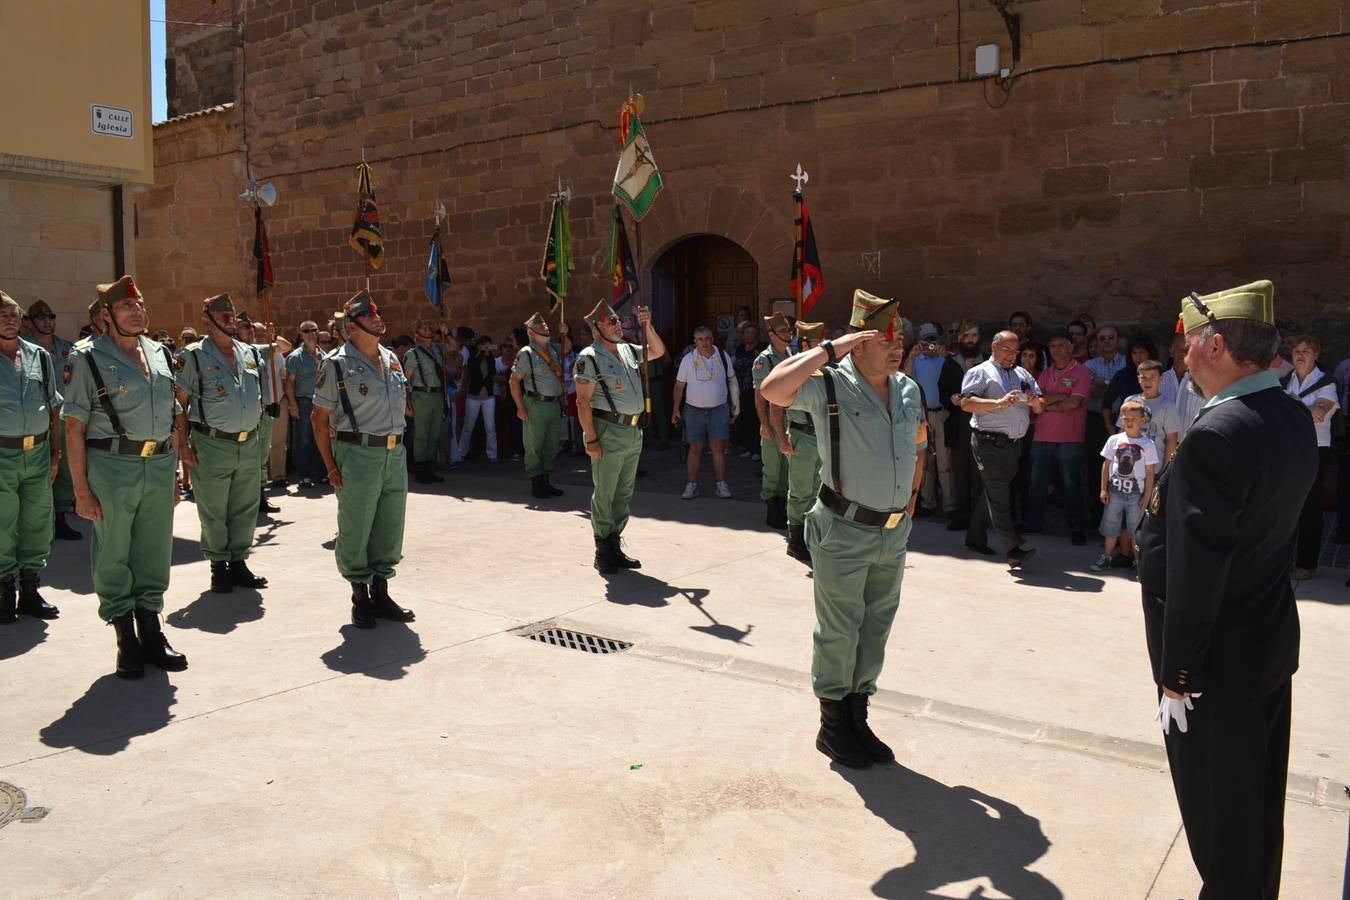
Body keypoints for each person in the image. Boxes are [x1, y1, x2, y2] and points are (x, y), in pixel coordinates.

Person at [1136, 280, 1314, 897]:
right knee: (1257, 811)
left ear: (1214, 346)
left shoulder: (1218, 433)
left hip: (1215, 665)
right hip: (1264, 646)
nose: (1182, 356)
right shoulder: (1287, 413)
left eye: (1188, 344)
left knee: (1222, 820)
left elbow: (1198, 568)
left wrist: (1177, 672)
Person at [759, 289, 927, 769]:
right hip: (843, 529)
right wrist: (831, 348)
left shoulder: (908, 389)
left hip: (892, 532)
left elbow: (917, 442)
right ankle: (832, 726)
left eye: (900, 339)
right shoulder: (829, 384)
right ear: (858, 343)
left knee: (875, 628)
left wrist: (910, 501)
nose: (899, 348)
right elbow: (774, 390)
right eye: (887, 340)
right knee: (839, 631)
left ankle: (858, 715)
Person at [63, 276, 188, 678]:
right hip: (112, 466)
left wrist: (173, 475)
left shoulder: (160, 354)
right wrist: (81, 490)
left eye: (139, 305)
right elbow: (74, 428)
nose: (136, 312)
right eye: (125, 307)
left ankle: (151, 631)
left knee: (153, 550)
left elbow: (171, 418)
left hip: (159, 464)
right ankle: (124, 638)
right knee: (114, 551)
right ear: (106, 316)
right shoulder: (87, 358)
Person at [311, 291, 415, 628]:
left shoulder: (392, 360)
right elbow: (319, 419)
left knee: (389, 524)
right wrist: (330, 466)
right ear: (351, 327)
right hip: (357, 452)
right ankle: (360, 596)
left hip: (393, 452)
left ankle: (381, 592)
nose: (377, 318)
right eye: (368, 316)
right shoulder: (336, 363)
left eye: (376, 313)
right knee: (357, 526)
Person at [174, 294, 269, 594]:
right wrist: (183, 447)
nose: (229, 318)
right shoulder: (193, 356)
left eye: (230, 313)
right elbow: (179, 404)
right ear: (207, 318)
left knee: (245, 506)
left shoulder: (249, 353)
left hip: (248, 442)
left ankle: (239, 562)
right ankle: (218, 567)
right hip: (211, 443)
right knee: (214, 509)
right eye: (221, 313)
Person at [574, 301, 666, 574]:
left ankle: (615, 544)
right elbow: (582, 402)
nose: (618, 324)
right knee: (605, 492)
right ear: (597, 328)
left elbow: (658, 351)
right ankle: (602, 549)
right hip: (608, 430)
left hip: (632, 431)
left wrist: (647, 325)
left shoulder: (627, 350)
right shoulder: (589, 357)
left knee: (623, 492)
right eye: (611, 321)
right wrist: (591, 439)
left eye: (618, 319)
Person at [0, 291, 62, 624]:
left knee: (37, 523)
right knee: (2, 524)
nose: (9, 320)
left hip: (37, 454)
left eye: (13, 314)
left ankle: (30, 589)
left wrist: (55, 454)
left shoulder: (39, 356)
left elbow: (53, 409)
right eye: (3, 315)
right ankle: (4, 592)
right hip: (2, 454)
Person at [960, 330, 1044, 568]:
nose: (1013, 356)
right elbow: (966, 403)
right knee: (999, 495)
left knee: (993, 492)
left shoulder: (1022, 373)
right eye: (1008, 350)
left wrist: (1036, 402)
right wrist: (998, 403)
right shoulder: (979, 372)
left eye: (1016, 351)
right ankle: (1013, 549)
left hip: (1014, 445)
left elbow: (1040, 405)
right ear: (995, 347)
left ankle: (975, 538)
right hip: (989, 443)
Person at [23, 298, 81, 541]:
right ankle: (38, 522)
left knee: (64, 469)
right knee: (39, 471)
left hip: (65, 418)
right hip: (37, 419)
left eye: (51, 317)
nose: (47, 322)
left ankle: (60, 517)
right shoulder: (26, 349)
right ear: (30, 322)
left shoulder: (67, 347)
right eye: (41, 317)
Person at [1282, 335, 1339, 580]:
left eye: (1306, 350)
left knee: (1309, 507)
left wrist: (1291, 409)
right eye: (1296, 350)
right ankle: (1283, 561)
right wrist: (1304, 409)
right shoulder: (1286, 381)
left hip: (1316, 449)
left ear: (1316, 355)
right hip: (1288, 449)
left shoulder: (1326, 383)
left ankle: (1307, 563)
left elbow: (1319, 414)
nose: (1300, 355)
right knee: (1284, 505)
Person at [1025, 334, 1091, 543]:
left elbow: (1074, 403)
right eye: (1052, 346)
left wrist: (1048, 403)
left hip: (1070, 438)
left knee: (1072, 486)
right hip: (1042, 436)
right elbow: (1035, 402)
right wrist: (1061, 396)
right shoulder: (1045, 373)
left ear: (1071, 347)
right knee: (1037, 483)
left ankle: (1077, 528)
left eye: (1061, 345)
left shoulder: (1082, 372)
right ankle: (1033, 523)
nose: (1056, 349)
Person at [771, 321, 826, 561]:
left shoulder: (824, 368)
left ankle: (811, 535)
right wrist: (782, 439)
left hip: (820, 436)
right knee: (801, 491)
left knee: (818, 489)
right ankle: (795, 539)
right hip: (801, 435)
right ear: (805, 343)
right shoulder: (792, 368)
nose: (822, 346)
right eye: (816, 342)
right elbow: (776, 404)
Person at [672, 325, 738, 501]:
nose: (704, 342)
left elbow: (732, 380)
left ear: (713, 338)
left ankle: (721, 484)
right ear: (695, 341)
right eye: (700, 339)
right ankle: (692, 485)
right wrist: (675, 409)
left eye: (707, 338)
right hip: (694, 411)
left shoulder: (723, 356)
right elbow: (679, 386)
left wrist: (736, 405)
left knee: (719, 448)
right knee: (694, 448)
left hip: (719, 409)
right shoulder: (687, 360)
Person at [1091, 399, 1157, 572]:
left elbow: (1150, 472)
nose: (1129, 422)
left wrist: (1147, 495)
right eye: (1125, 418)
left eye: (1133, 419)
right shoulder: (1114, 440)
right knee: (1111, 526)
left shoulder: (1148, 445)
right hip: (1114, 492)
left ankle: (1138, 562)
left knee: (1136, 529)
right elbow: (1106, 464)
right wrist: (1103, 488)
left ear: (1143, 420)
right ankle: (1106, 557)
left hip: (1136, 495)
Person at [510, 312, 571, 499]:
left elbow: (567, 348)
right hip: (535, 403)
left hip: (554, 404)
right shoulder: (526, 353)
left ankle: (545, 481)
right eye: (540, 326)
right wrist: (520, 407)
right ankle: (536, 483)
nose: (545, 327)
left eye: (545, 324)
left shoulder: (553, 348)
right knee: (534, 445)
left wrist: (565, 333)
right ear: (531, 332)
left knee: (551, 445)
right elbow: (513, 382)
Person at [905, 323, 957, 518]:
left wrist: (946, 357)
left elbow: (956, 377)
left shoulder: (946, 359)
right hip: (923, 415)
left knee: (945, 463)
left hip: (941, 414)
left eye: (933, 340)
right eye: (926, 340)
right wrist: (911, 355)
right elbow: (906, 377)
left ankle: (950, 505)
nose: (930, 344)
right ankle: (927, 502)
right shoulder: (916, 359)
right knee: (924, 463)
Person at [753, 312, 796, 529]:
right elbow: (759, 395)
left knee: (787, 467)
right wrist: (764, 424)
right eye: (782, 331)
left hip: (790, 417)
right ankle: (772, 508)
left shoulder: (791, 354)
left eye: (788, 330)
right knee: (772, 466)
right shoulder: (765, 359)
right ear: (771, 334)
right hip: (772, 417)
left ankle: (783, 506)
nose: (787, 334)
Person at [941, 320, 984, 532]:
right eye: (966, 335)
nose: (970, 339)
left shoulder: (987, 362)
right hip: (959, 422)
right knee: (960, 472)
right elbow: (942, 389)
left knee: (979, 473)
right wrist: (951, 398)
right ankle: (962, 516)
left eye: (974, 335)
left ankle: (979, 519)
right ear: (960, 338)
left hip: (983, 423)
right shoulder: (951, 362)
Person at [236, 313, 282, 514]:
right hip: (244, 415)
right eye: (245, 326)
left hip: (263, 413)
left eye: (251, 327)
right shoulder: (232, 352)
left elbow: (284, 348)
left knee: (262, 455)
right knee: (246, 459)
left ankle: (261, 497)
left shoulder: (257, 351)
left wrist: (273, 336)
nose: (250, 330)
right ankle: (245, 500)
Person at [403, 318, 452, 484]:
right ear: (416, 334)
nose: (429, 330)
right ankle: (420, 470)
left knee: (434, 434)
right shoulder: (413, 354)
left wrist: (447, 333)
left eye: (429, 328)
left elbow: (454, 348)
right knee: (422, 435)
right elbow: (404, 381)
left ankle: (430, 468)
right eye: (424, 329)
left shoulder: (438, 349)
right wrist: (407, 404)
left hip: (437, 395)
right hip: (421, 395)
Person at [284, 320, 326, 488]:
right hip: (304, 402)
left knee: (321, 438)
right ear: (300, 334)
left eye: (313, 330)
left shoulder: (324, 355)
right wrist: (292, 404)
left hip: (322, 403)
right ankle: (304, 475)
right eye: (306, 330)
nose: (310, 333)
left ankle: (321, 473)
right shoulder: (295, 357)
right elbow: (288, 382)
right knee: (303, 439)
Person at [1123, 360, 1181, 467]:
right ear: (1138, 379)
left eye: (1152, 377)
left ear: (1161, 378)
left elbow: (1171, 440)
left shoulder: (1168, 406)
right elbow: (1121, 432)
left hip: (1155, 468)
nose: (1147, 381)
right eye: (1143, 377)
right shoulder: (1129, 401)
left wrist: (1165, 472)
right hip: (1130, 467)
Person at [1102, 335, 1157, 435]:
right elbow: (1106, 402)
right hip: (1127, 431)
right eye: (1134, 353)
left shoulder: (1162, 376)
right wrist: (1109, 426)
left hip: (1155, 431)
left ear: (1150, 353)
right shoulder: (1122, 376)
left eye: (1142, 352)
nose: (1138, 357)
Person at [457, 335, 499, 462]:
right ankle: (461, 452)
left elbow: (492, 372)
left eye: (488, 345)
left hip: (488, 396)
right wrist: (481, 353)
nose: (486, 347)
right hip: (474, 396)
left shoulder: (491, 358)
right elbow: (473, 367)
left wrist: (488, 355)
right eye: (484, 345)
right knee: (468, 426)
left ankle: (492, 454)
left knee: (490, 426)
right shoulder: (472, 357)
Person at [731, 320, 763, 458]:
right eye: (747, 333)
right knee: (744, 419)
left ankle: (757, 450)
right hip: (741, 390)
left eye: (752, 333)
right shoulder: (740, 349)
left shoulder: (762, 348)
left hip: (755, 390)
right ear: (743, 335)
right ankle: (748, 447)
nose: (749, 335)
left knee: (756, 420)